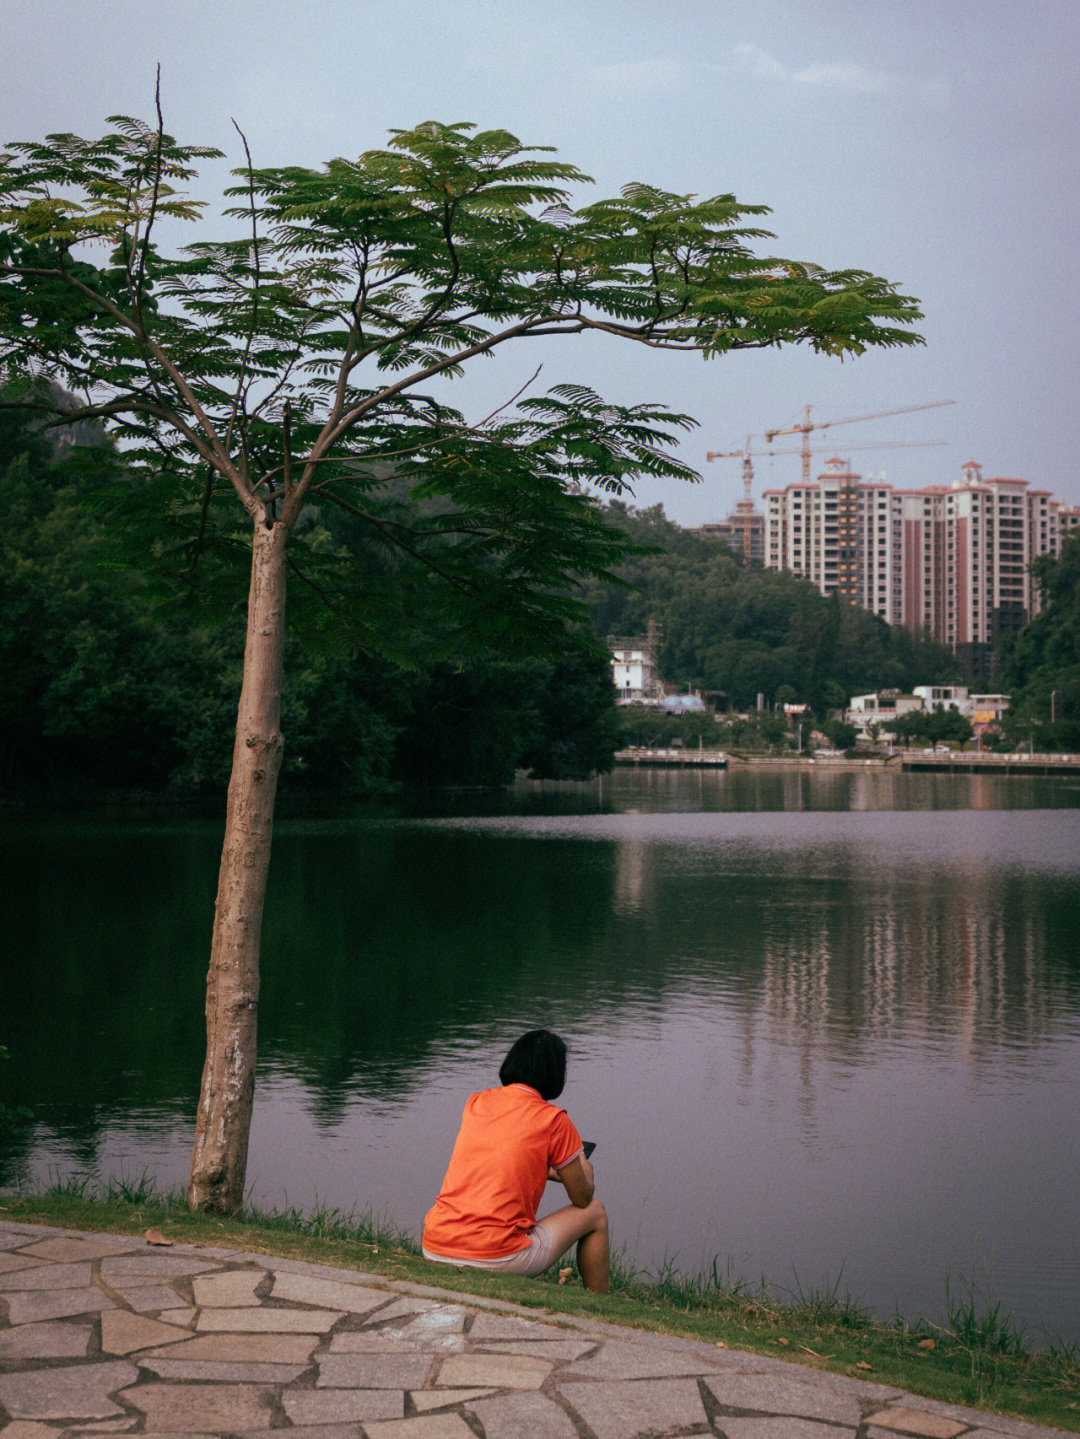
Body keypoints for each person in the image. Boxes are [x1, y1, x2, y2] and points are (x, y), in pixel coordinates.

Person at [422, 1029, 609, 1293]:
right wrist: (584, 1167)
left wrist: (541, 1168)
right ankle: (599, 1304)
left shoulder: (477, 1102)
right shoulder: (554, 1120)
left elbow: (497, 1161)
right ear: (555, 1072)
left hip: (435, 1245)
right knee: (596, 1213)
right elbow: (582, 1197)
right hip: (495, 1257)